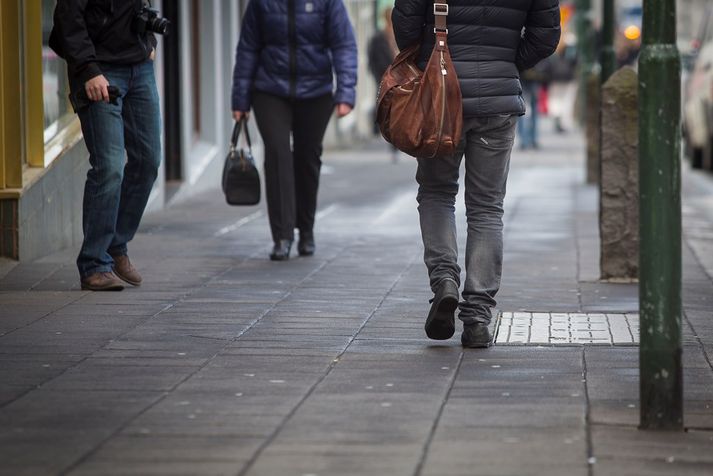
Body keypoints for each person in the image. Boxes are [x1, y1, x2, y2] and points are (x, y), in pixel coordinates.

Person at [392, 0, 560, 347]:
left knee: (437, 193)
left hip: (439, 98)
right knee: (487, 207)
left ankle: (444, 281)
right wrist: (504, 63)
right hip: (498, 102)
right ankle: (478, 317)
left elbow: (405, 26)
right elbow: (545, 37)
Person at [49, 0, 165, 291]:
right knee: (110, 166)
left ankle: (115, 245)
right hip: (99, 71)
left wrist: (148, 42)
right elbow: (68, 18)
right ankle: (94, 264)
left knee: (148, 161)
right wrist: (88, 69)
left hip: (139, 69)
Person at [231, 0, 358, 261]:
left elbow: (343, 45)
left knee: (307, 158)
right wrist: (240, 99)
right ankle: (282, 235)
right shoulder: (261, 3)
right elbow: (248, 48)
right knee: (277, 155)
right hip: (269, 90)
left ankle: (306, 229)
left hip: (316, 92)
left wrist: (345, 92)